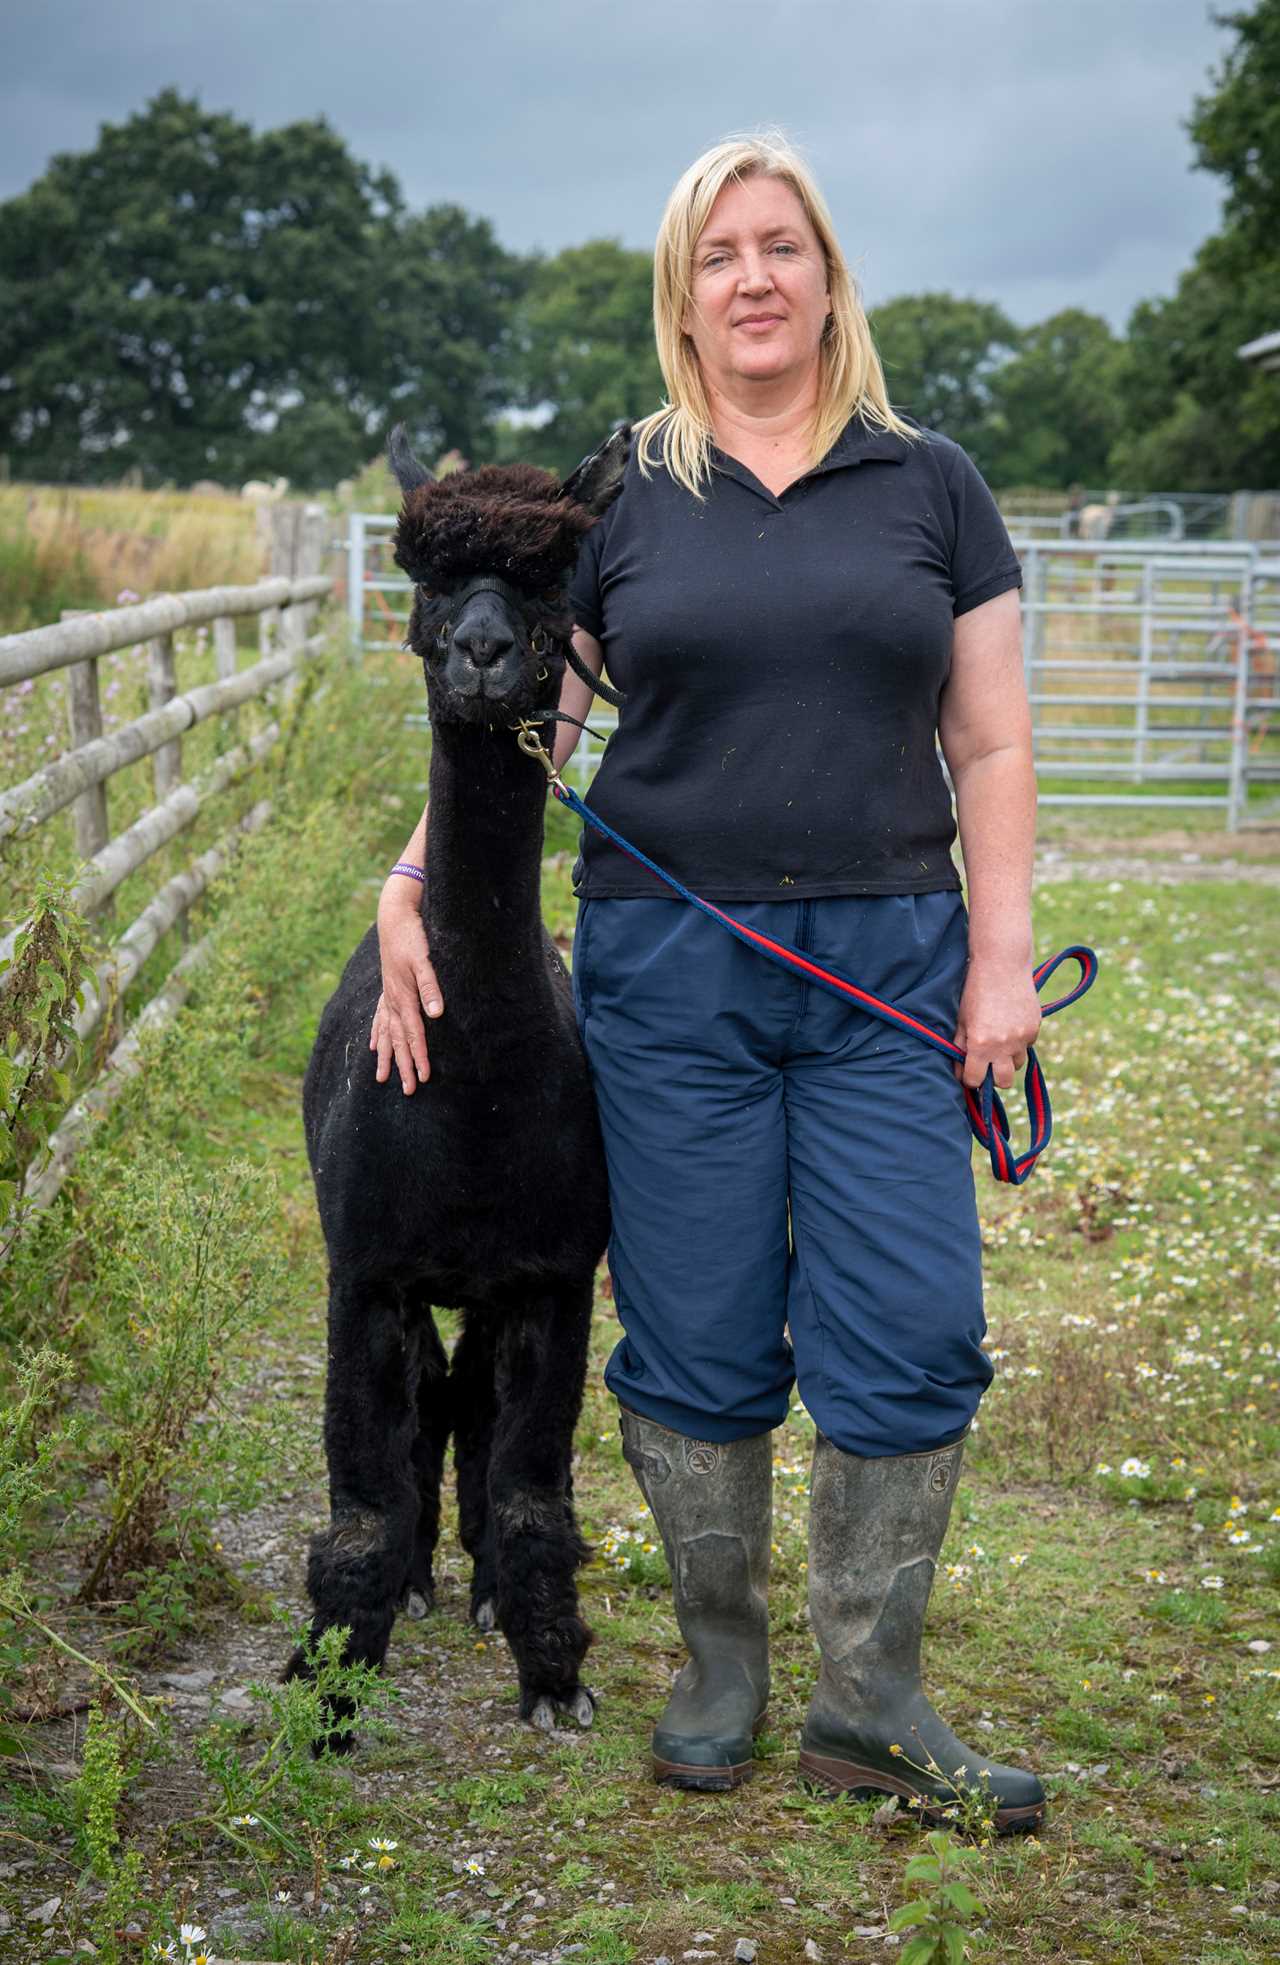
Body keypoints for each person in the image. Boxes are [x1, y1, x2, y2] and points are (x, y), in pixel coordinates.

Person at [370, 133, 1045, 1832]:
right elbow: (525, 718)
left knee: (915, 1327)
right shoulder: (626, 507)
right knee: (698, 1328)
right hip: (673, 977)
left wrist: (1004, 959)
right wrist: (404, 888)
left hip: (892, 964)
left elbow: (993, 737)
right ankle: (722, 1669)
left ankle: (872, 1696)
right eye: (720, 251)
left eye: (782, 245)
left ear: (829, 276)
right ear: (685, 291)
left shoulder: (933, 484)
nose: (755, 276)